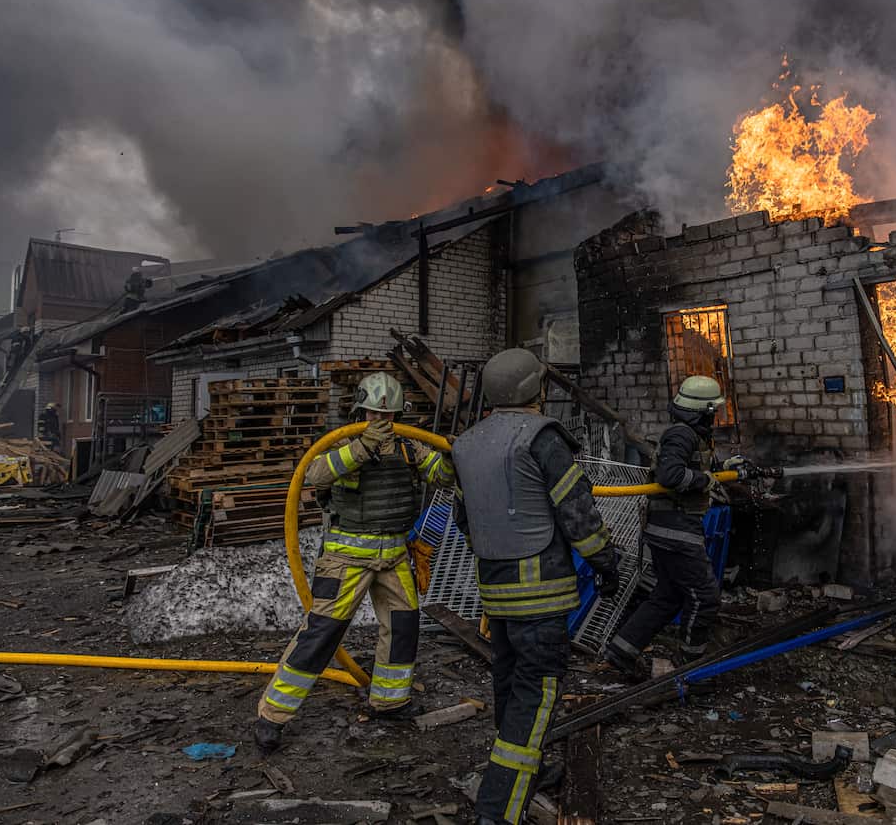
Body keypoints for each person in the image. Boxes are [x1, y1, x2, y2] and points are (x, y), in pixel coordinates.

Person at [450, 348, 620, 825]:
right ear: (536, 389)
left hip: (495, 593)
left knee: (509, 683)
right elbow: (578, 515)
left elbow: (464, 517)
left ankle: (522, 769)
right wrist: (606, 563)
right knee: (536, 692)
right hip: (541, 598)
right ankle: (498, 808)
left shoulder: (466, 443)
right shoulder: (542, 438)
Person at [254, 372, 454, 754]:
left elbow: (442, 477)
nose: (382, 421)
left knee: (403, 626)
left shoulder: (411, 447)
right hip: (345, 558)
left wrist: (450, 455)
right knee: (322, 633)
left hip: (394, 554)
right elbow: (314, 474)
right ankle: (273, 715)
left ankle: (390, 700)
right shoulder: (343, 443)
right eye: (374, 413)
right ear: (359, 410)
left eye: (390, 415)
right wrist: (363, 447)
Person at [604, 375, 748, 680]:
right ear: (703, 411)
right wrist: (703, 480)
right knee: (704, 597)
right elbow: (671, 476)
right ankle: (692, 668)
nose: (716, 416)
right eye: (713, 411)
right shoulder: (681, 435)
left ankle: (621, 650)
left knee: (668, 595)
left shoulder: (691, 435)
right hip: (675, 529)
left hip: (669, 528)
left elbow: (695, 469)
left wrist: (724, 470)